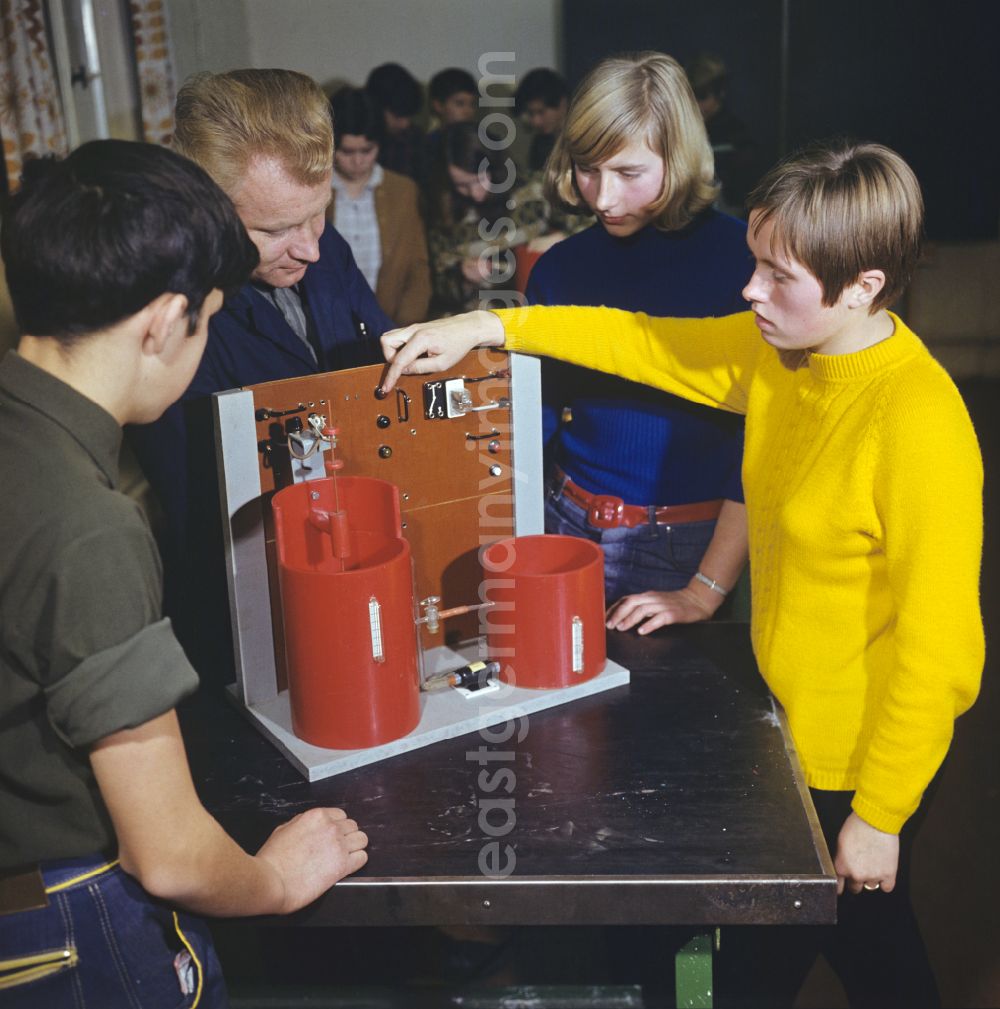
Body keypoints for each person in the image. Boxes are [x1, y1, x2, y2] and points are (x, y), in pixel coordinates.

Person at [379, 140, 984, 1008]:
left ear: (864, 286)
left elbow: (941, 653)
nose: (751, 290)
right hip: (787, 735)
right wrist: (486, 327)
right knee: (785, 960)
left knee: (856, 960)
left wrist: (881, 816)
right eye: (755, 265)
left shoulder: (918, 422)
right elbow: (640, 341)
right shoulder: (782, 356)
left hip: (855, 764)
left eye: (780, 276)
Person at [0, 139, 368, 1008]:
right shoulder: (88, 527)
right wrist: (275, 877)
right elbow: (166, 853)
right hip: (65, 923)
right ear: (165, 322)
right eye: (208, 316)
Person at [129, 69, 393, 683]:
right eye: (273, 230)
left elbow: (376, 372)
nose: (311, 251)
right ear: (204, 207)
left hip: (351, 558)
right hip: (245, 614)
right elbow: (201, 512)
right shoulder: (167, 312)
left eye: (318, 214)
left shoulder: (326, 256)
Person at [528, 52, 751, 619]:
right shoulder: (559, 267)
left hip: (689, 545)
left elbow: (763, 449)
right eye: (587, 168)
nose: (603, 198)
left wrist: (705, 589)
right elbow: (542, 418)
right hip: (564, 521)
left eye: (629, 174)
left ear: (678, 160)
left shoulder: (746, 261)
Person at [424, 121, 555, 315]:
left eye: (479, 180)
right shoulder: (445, 213)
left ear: (495, 167)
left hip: (537, 313)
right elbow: (438, 284)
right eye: (462, 186)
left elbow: (585, 228)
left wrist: (560, 238)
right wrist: (463, 276)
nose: (475, 193)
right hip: (476, 320)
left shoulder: (534, 193)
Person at [330, 86, 431, 325]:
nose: (357, 161)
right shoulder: (314, 191)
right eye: (346, 151)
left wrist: (405, 327)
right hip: (334, 323)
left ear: (380, 145)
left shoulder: (402, 190)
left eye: (367, 150)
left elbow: (417, 267)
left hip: (390, 323)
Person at [685, 52, 757, 218]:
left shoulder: (737, 135)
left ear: (720, 93)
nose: (697, 104)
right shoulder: (687, 128)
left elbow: (744, 195)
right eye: (692, 97)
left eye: (702, 96)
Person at [365, 62, 426, 182]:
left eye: (408, 116)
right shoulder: (361, 137)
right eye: (398, 116)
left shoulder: (415, 138)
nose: (405, 124)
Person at [515, 67, 569, 171]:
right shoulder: (540, 142)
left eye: (541, 112)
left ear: (562, 104)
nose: (536, 121)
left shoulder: (581, 140)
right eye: (531, 113)